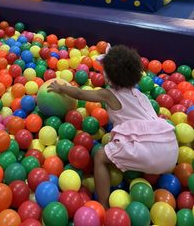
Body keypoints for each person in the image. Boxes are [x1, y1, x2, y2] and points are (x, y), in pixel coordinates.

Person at [48, 45, 178, 208]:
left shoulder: (108, 94)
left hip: (148, 152)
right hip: (170, 151)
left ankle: (102, 205)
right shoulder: (141, 95)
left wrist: (61, 87)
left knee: (99, 157)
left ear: (109, 78)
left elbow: (81, 94)